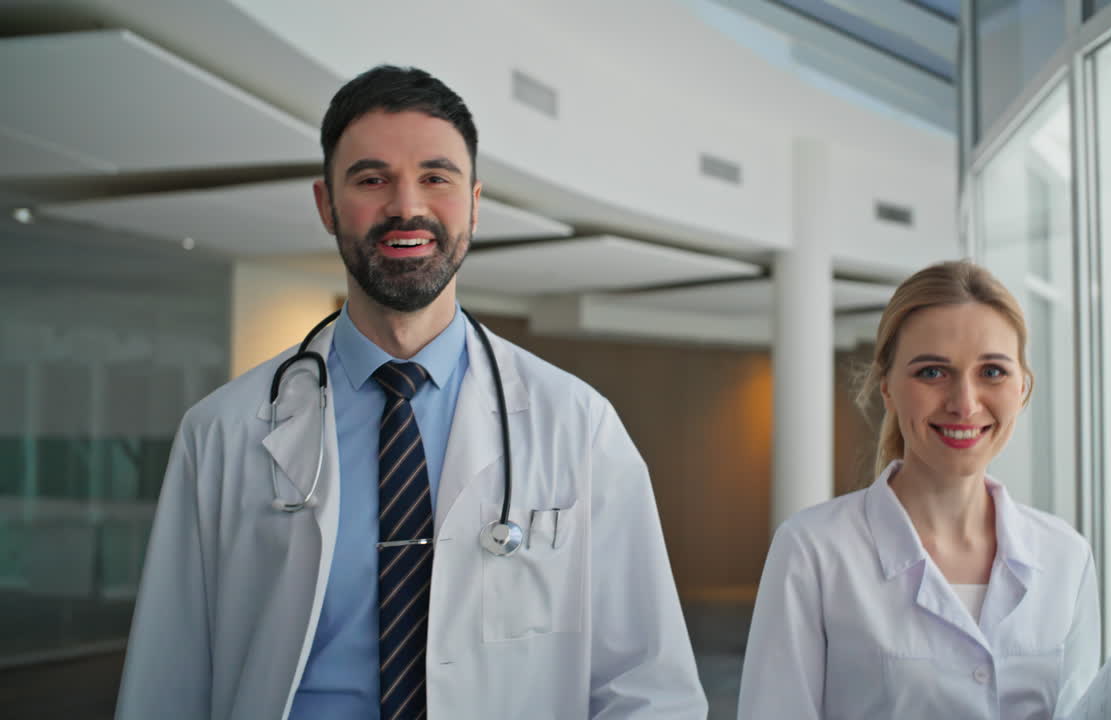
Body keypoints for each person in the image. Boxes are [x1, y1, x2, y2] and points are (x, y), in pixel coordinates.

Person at [116, 65, 706, 720]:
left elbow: (649, 687)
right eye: (372, 179)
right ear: (326, 205)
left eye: (436, 177)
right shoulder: (223, 432)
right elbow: (166, 682)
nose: (407, 206)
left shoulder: (578, 425)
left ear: (475, 203)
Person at [738, 261, 1099, 719]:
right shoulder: (813, 550)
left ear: (1023, 388)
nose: (964, 404)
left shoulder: (1066, 557)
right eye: (932, 372)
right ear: (886, 386)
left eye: (992, 372)